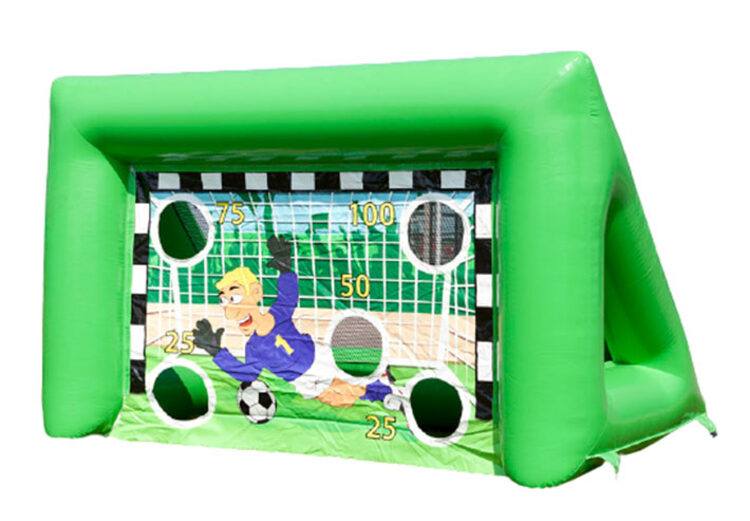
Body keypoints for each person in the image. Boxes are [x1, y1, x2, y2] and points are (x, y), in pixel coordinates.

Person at [192, 235, 392, 408]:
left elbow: (287, 297)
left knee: (350, 380)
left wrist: (285, 268)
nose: (230, 313)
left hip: (318, 358)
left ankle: (383, 385)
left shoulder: (276, 316)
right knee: (340, 399)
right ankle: (383, 396)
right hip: (301, 380)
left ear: (256, 292)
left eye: (234, 298)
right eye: (224, 302)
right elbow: (249, 373)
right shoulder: (253, 347)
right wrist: (216, 352)